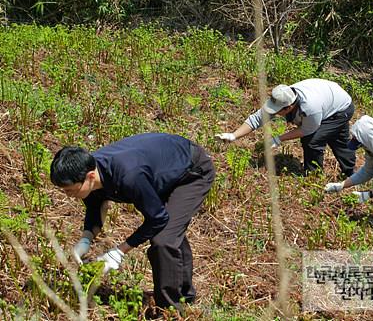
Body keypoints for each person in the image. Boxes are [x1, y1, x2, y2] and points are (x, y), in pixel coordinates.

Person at [50, 133, 215, 311]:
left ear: (90, 176)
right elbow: (94, 207)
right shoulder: (91, 172)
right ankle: (184, 295)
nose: (69, 196)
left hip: (192, 171)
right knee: (172, 231)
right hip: (164, 169)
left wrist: (119, 252)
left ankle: (170, 310)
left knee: (164, 240)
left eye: (71, 191)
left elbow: (157, 218)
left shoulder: (128, 175)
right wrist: (85, 239)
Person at [216, 78, 356, 176]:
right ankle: (349, 172)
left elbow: (307, 130)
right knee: (336, 138)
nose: (274, 113)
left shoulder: (310, 108)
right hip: (329, 98)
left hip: (341, 108)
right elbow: (257, 118)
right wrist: (233, 135)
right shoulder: (282, 97)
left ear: (289, 107)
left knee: (313, 140)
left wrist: (278, 139)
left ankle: (314, 175)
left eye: (277, 111)